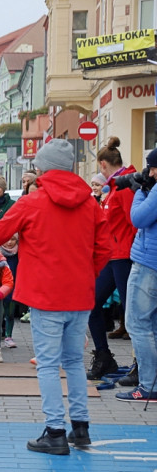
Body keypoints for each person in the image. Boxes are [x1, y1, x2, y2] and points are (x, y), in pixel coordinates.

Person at [0, 139, 111, 455]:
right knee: (75, 361)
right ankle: (81, 427)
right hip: (79, 295)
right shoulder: (90, 203)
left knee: (48, 365)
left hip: (45, 296)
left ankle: (55, 431)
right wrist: (84, 275)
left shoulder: (32, 202)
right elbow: (104, 248)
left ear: (43, 168)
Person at [85, 137, 137, 380]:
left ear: (104, 165)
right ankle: (104, 357)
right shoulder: (116, 186)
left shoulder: (125, 187)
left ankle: (142, 364)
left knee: (133, 312)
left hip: (125, 255)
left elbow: (134, 222)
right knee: (92, 302)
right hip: (112, 254)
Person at [117, 148, 157, 401]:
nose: (151, 173)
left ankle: (148, 385)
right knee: (152, 326)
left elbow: (138, 218)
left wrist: (139, 192)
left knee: (138, 325)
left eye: (153, 168)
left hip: (148, 263)